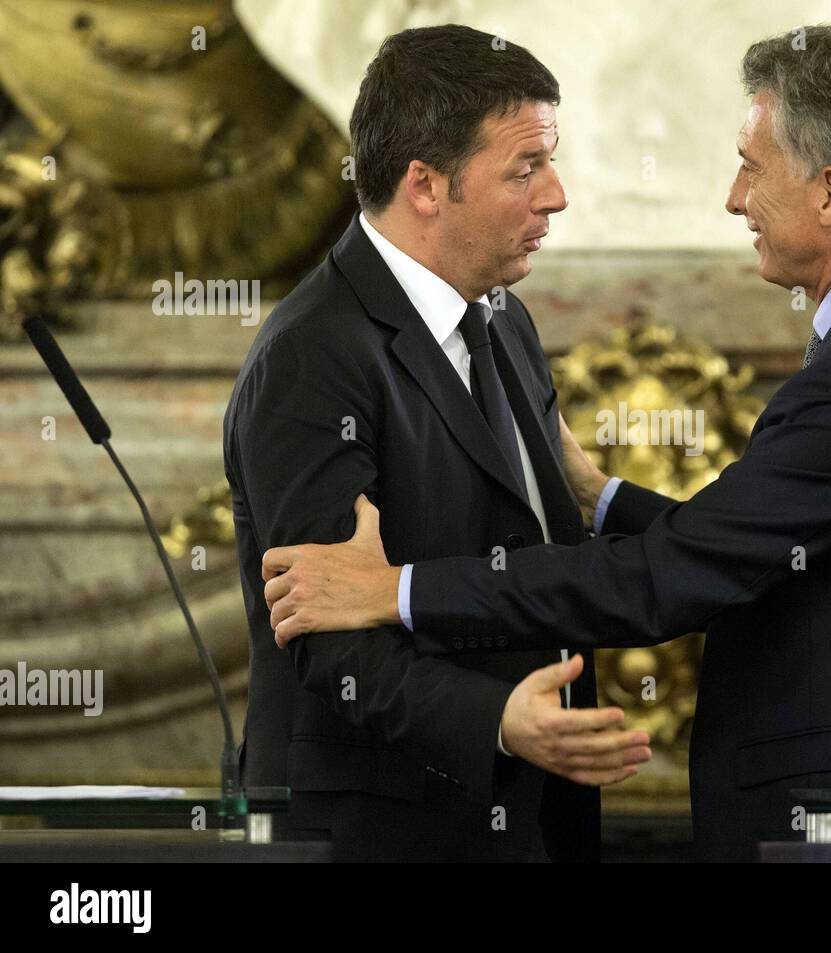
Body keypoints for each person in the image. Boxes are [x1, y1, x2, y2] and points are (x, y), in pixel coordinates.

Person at [264, 21, 831, 861]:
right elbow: (777, 554)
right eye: (525, 168)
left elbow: (680, 573)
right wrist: (603, 498)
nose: (734, 197)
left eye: (753, 166)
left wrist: (399, 590)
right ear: (426, 184)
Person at [224, 25, 649, 863]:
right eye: (524, 169)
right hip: (380, 832)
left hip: (530, 820)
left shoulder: (506, 319)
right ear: (425, 184)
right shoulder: (313, 355)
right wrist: (494, 720)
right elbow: (324, 635)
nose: (556, 195)